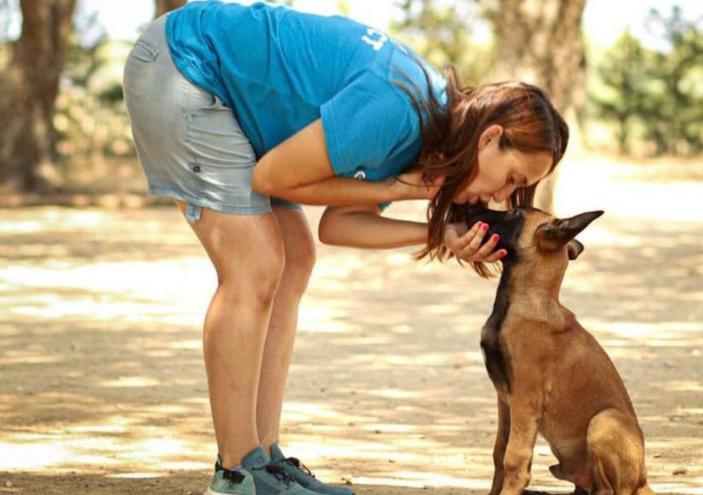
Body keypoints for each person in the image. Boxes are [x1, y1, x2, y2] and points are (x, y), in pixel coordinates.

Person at [122, 2, 568, 494]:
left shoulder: (430, 128)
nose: (503, 198)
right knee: (256, 265)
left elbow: (338, 225)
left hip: (227, 95)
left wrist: (438, 235)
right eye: (511, 180)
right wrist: (397, 191)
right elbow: (271, 176)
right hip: (185, 65)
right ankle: (237, 474)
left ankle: (264, 460)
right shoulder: (398, 109)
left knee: (294, 259)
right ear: (490, 139)